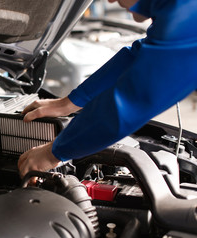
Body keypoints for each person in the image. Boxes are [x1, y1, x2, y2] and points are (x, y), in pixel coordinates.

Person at [18, 0, 197, 178]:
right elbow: (136, 57)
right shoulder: (180, 11)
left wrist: (53, 153)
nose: (110, 0)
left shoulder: (187, 13)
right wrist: (69, 103)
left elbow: (132, 100)